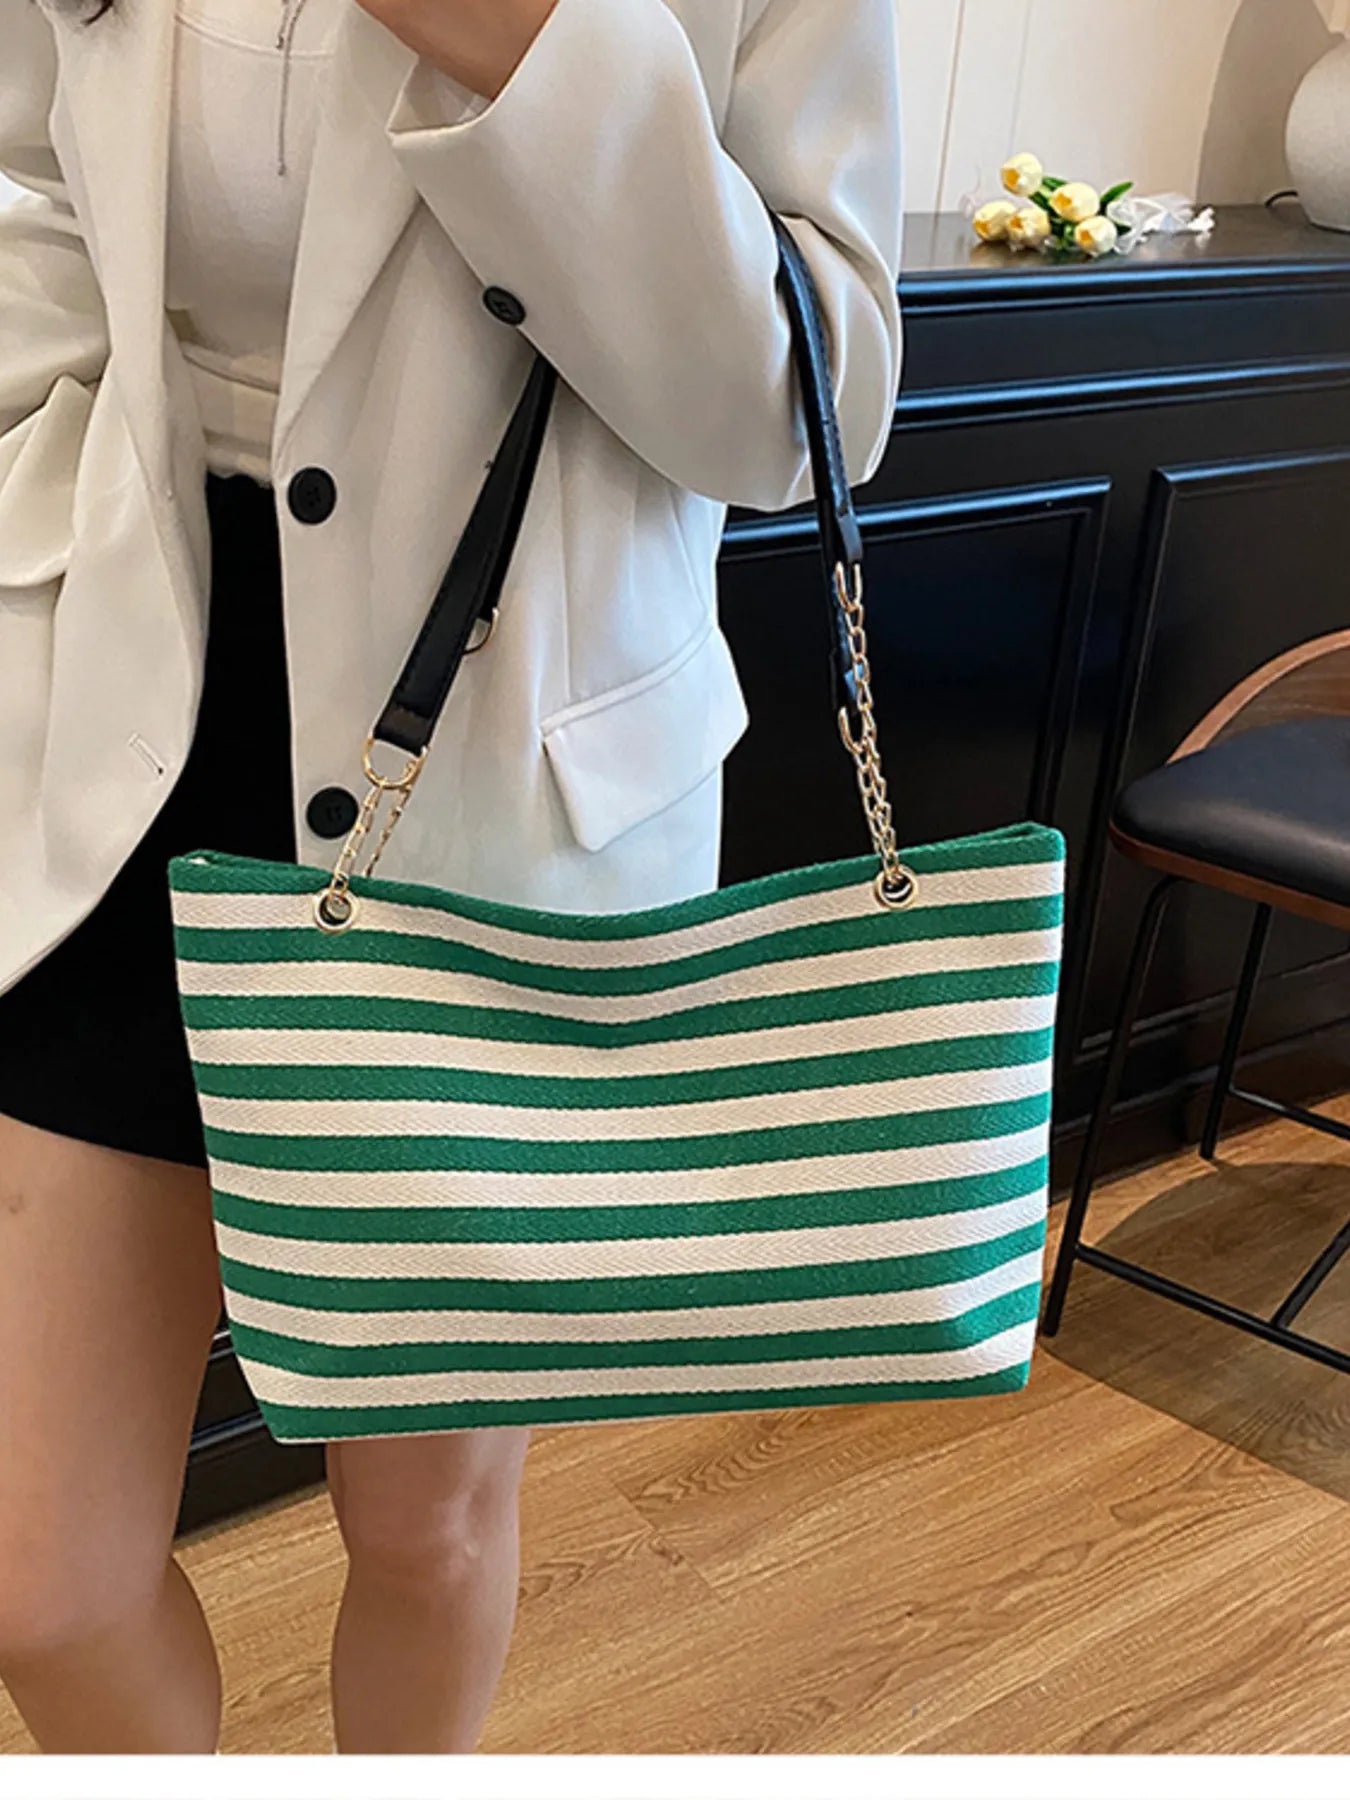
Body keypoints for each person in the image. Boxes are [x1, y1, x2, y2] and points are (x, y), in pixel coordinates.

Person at [0, 0, 904, 1755]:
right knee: (40, 1565)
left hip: (497, 771)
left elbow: (814, 404)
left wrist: (539, 54)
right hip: (112, 713)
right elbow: (30, 186)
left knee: (417, 1522)